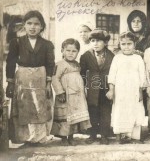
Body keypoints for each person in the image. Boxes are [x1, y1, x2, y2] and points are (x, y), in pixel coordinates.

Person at [5, 10, 55, 147]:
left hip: (41, 77)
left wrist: (48, 83)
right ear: (24, 26)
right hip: (23, 78)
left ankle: (38, 138)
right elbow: (10, 63)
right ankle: (25, 138)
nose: (33, 27)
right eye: (29, 23)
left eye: (36, 24)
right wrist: (10, 83)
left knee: (39, 107)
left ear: (42, 26)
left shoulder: (47, 44)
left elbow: (50, 64)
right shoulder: (17, 42)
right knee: (24, 106)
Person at [106, 31, 145, 144]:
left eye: (129, 44)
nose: (126, 47)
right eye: (123, 44)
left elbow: (142, 76)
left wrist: (140, 91)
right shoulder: (117, 58)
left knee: (135, 111)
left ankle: (134, 137)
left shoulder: (138, 58)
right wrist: (111, 90)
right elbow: (112, 76)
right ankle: (119, 137)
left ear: (134, 44)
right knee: (120, 111)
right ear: (120, 45)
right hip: (120, 92)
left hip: (134, 91)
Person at [51, 38, 91, 146]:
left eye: (74, 51)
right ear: (62, 51)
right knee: (65, 116)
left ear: (78, 52)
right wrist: (60, 92)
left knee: (74, 116)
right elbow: (55, 78)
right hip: (65, 96)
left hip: (77, 97)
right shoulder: (59, 64)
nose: (71, 53)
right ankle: (63, 137)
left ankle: (71, 136)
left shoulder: (77, 65)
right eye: (68, 50)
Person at [80, 29, 114, 145]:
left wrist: (112, 89)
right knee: (92, 112)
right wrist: (83, 88)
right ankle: (93, 134)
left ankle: (104, 135)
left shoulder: (112, 56)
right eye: (92, 40)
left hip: (106, 89)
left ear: (105, 42)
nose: (95, 43)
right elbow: (82, 74)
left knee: (105, 112)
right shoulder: (86, 56)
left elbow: (114, 73)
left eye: (98, 41)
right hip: (92, 90)